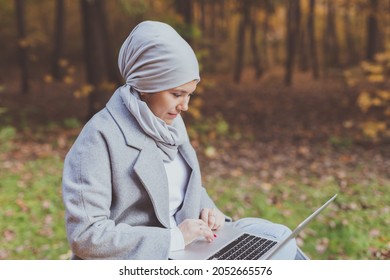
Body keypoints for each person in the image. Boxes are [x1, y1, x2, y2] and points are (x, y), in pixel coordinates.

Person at [62, 20, 308, 260]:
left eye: (189, 94)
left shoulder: (169, 123)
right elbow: (86, 236)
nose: (185, 106)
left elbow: (184, 188)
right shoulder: (98, 138)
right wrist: (175, 238)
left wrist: (210, 212)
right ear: (146, 85)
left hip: (196, 249)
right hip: (149, 259)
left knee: (279, 239)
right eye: (177, 94)